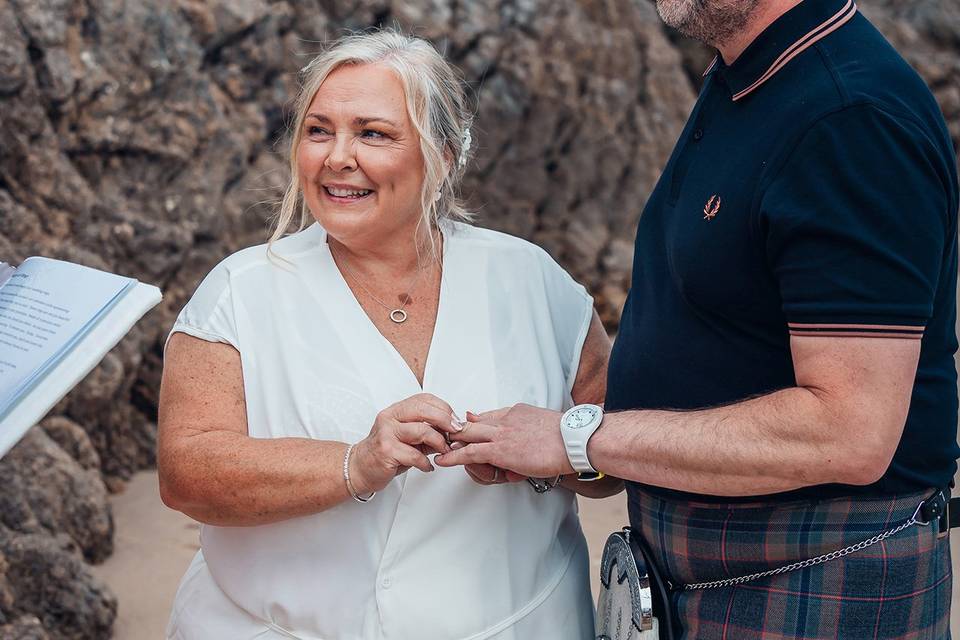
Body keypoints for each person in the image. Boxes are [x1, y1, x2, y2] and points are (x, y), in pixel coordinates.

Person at [436, 0, 959, 637]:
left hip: (813, 573)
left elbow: (848, 431)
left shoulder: (848, 117)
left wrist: (578, 439)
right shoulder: (748, 75)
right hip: (715, 566)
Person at [157, 30, 620, 640]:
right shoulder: (240, 290)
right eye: (318, 130)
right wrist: (356, 462)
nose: (336, 157)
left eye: (372, 134)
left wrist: (553, 455)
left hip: (523, 623)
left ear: (442, 154)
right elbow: (185, 472)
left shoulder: (532, 279)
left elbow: (616, 455)